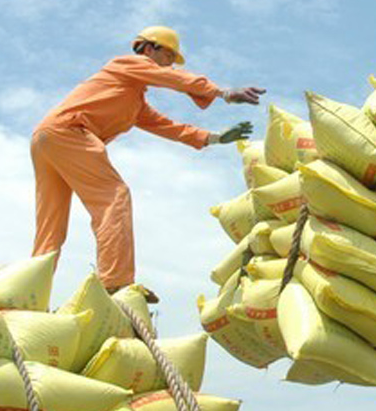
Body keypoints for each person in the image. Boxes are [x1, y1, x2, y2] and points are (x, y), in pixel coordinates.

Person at [31, 26, 264, 300]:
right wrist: (222, 93)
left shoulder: (133, 100)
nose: (170, 64)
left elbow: (168, 126)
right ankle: (116, 282)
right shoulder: (125, 64)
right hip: (68, 132)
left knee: (52, 226)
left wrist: (213, 138)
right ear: (149, 48)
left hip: (47, 138)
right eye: (168, 56)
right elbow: (168, 78)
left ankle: (29, 290)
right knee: (114, 197)